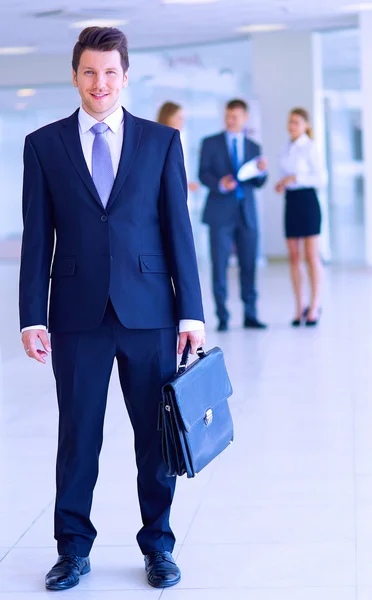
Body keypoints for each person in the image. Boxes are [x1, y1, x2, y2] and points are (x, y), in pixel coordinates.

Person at [19, 27, 205, 591]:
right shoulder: (44, 144)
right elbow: (37, 238)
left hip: (150, 313)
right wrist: (32, 314)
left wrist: (190, 311)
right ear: (75, 75)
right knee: (78, 438)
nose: (100, 83)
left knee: (156, 440)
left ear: (126, 77)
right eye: (89, 72)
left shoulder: (160, 142)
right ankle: (72, 550)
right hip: (77, 317)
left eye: (110, 72)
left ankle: (159, 546)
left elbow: (179, 230)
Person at [199, 99, 268, 331]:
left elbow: (259, 182)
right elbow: (203, 174)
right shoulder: (210, 143)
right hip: (220, 213)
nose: (231, 120)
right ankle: (222, 316)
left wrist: (261, 171)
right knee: (219, 267)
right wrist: (219, 183)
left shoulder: (253, 147)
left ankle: (251, 314)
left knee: (249, 265)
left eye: (235, 117)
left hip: (246, 214)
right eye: (228, 116)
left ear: (245, 117)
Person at [275, 107, 327, 327]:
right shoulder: (287, 148)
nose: (291, 126)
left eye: (296, 122)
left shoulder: (311, 147)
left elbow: (321, 178)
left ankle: (314, 305)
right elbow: (284, 175)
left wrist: (295, 178)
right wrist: (282, 183)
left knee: (311, 256)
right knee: (294, 257)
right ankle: (299, 307)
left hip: (307, 201)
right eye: (289, 122)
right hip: (292, 202)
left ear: (305, 125)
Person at [156, 101, 199, 193]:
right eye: (179, 118)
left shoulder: (177, 139)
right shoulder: (158, 141)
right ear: (168, 118)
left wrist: (186, 184)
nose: (182, 122)